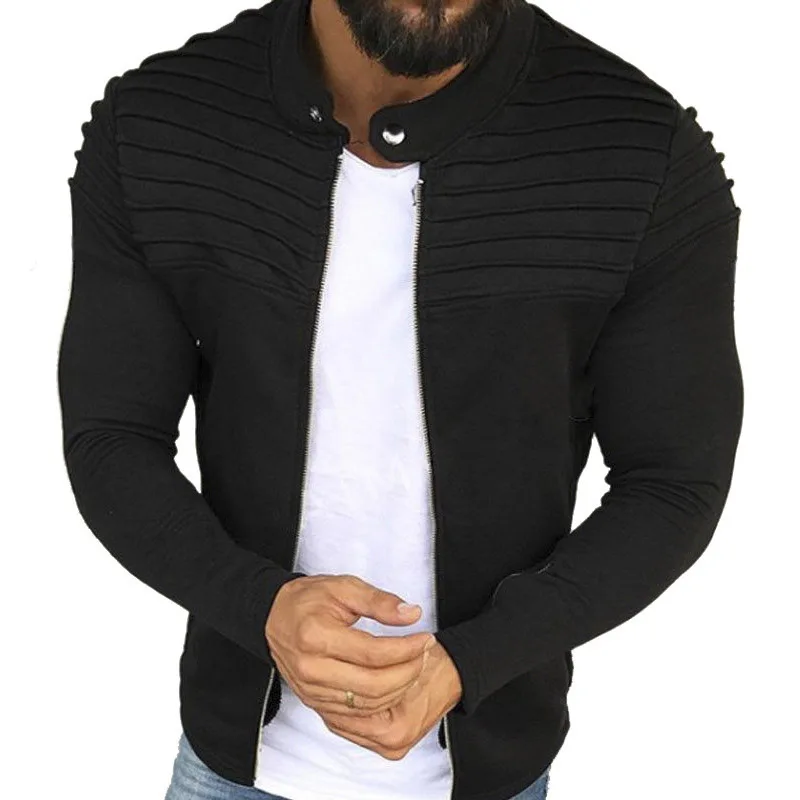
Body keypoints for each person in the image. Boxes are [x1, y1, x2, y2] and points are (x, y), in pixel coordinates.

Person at [57, 0, 743, 798]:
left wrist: (473, 660)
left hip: (489, 767)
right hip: (232, 761)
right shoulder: (163, 122)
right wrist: (259, 608)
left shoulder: (637, 150)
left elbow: (673, 481)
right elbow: (113, 435)